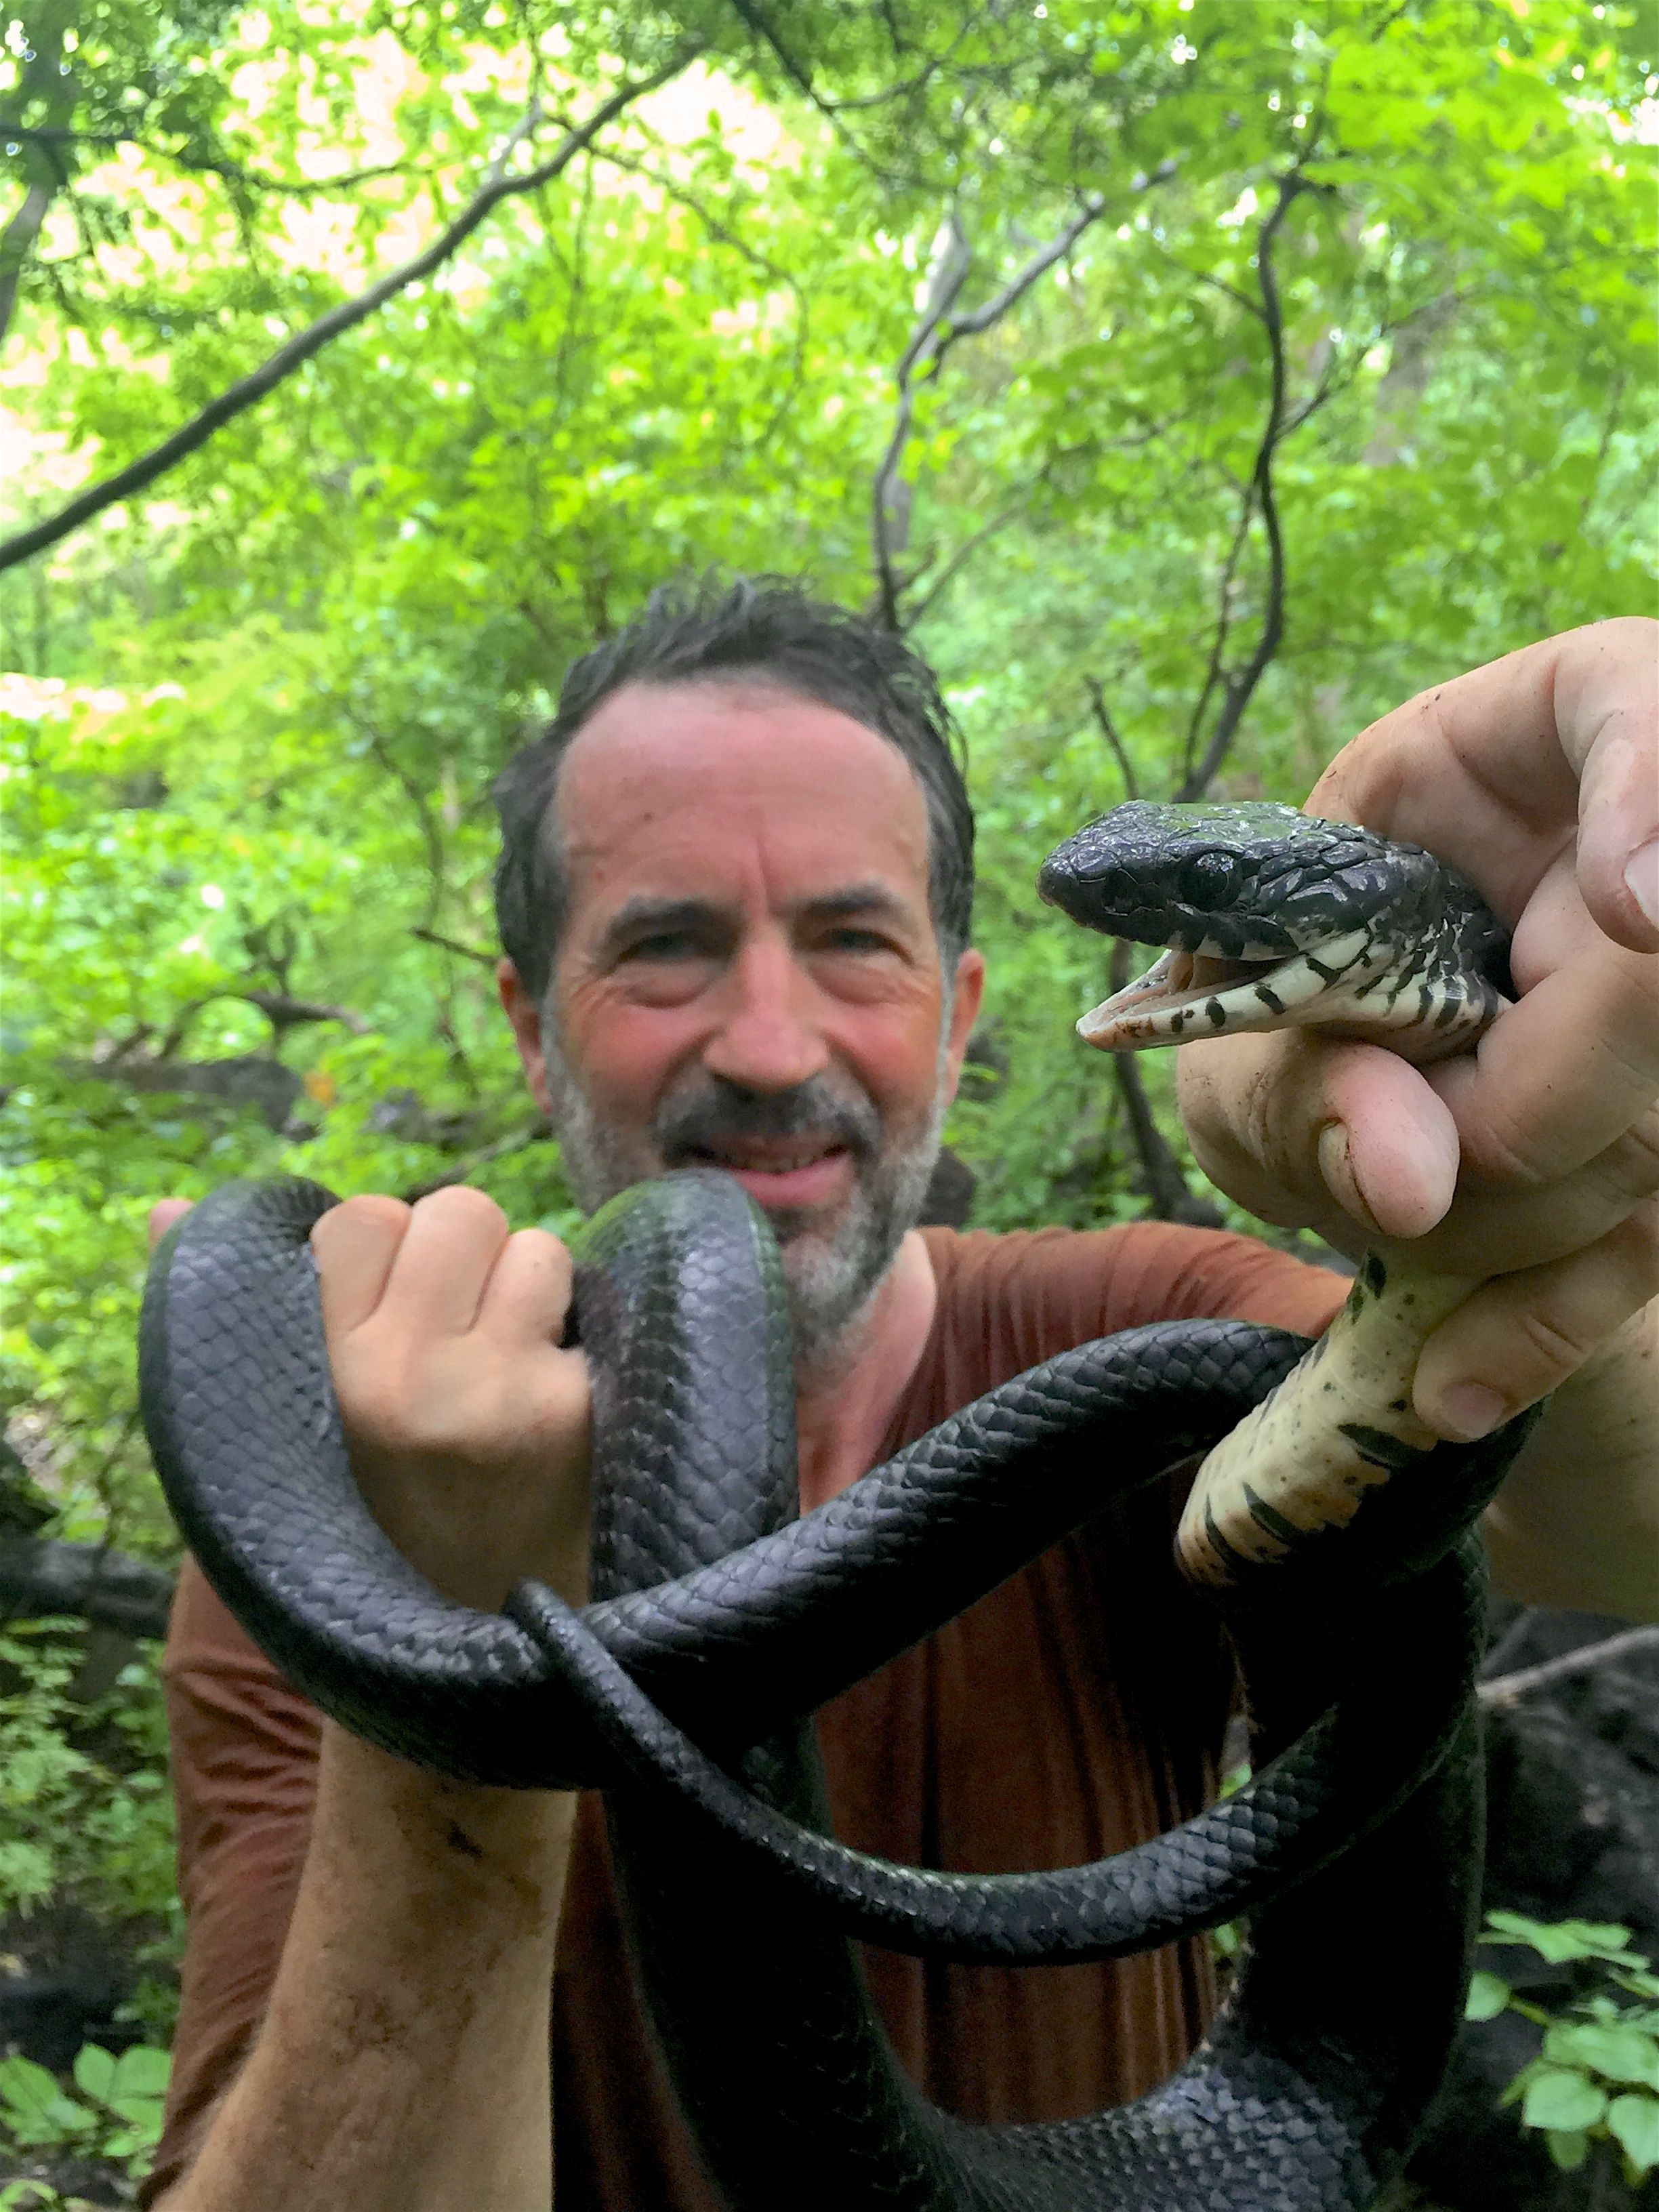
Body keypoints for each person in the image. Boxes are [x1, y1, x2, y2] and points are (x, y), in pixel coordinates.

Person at [140, 585, 1658, 2212]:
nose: (774, 1044)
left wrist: (1569, 1178)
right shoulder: (344, 1500)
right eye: (667, 947)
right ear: (531, 1031)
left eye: (855, 940)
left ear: (962, 1013)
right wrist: (443, 1671)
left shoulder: (1129, 1333)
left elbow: (1607, 1512)